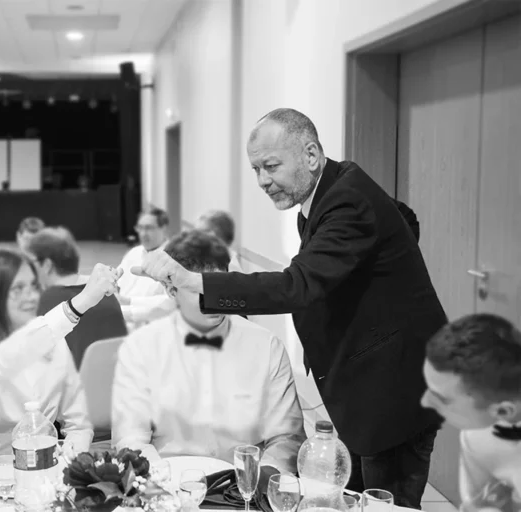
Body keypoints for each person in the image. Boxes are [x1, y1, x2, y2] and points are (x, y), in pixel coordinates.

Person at [134, 108, 446, 508]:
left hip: (393, 390)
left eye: (271, 166)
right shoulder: (335, 188)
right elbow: (405, 219)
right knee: (354, 498)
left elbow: (296, 286)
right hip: (366, 384)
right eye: (256, 169)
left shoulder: (347, 201)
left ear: (311, 155)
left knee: (385, 502)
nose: (263, 181)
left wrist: (195, 281)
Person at [112, 230, 306, 471]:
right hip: (168, 482)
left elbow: (287, 438)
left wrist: (264, 479)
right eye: (198, 290)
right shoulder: (141, 350)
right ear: (171, 290)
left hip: (241, 488)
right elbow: (130, 438)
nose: (215, 299)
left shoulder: (266, 346)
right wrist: (159, 484)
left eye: (219, 287)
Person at [0, 250, 122, 468]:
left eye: (33, 286)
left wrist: (73, 452)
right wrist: (80, 303)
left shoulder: (54, 341)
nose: (32, 296)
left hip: (44, 477)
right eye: (18, 289)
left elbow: (78, 424)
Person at [422, 314, 521, 511]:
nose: (425, 402)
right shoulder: (480, 436)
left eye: (442, 398)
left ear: (503, 410)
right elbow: (477, 506)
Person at [29, 227, 128, 369]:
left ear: (47, 265)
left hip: (81, 387)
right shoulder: (106, 291)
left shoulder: (46, 301)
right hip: (121, 382)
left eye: (32, 263)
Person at [117, 208, 175, 328]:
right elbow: (116, 281)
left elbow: (171, 303)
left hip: (146, 325)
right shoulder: (134, 253)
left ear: (163, 228)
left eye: (149, 228)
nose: (143, 234)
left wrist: (128, 303)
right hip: (118, 316)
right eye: (140, 228)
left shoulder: (174, 258)